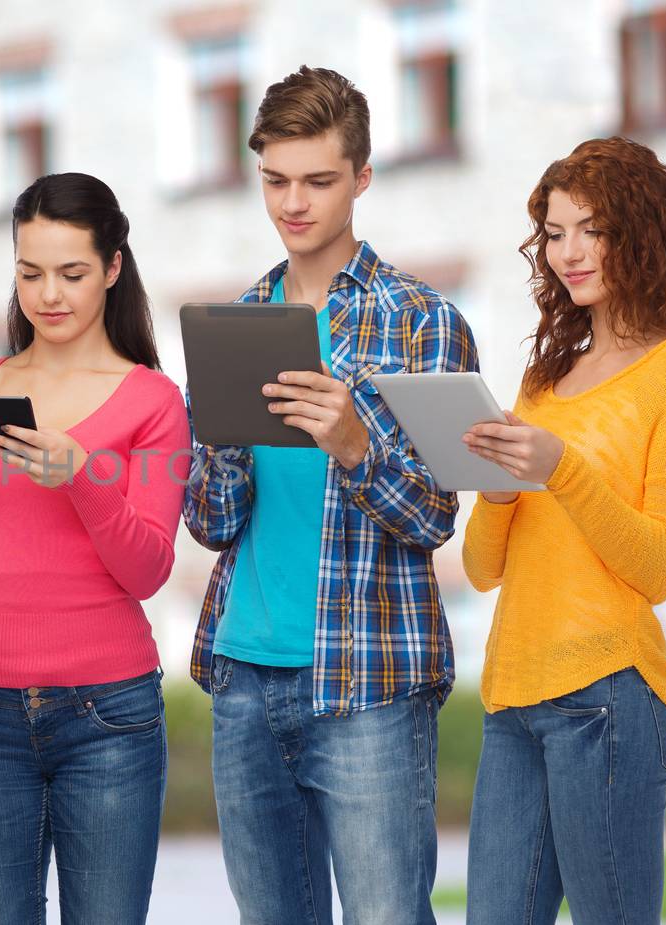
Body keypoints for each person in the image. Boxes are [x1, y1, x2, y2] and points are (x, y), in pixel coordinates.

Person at [182, 66, 477, 925]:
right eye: (275, 180)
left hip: (371, 678)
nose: (293, 202)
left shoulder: (421, 320)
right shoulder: (237, 322)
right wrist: (229, 440)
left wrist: (354, 444)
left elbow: (433, 517)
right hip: (243, 675)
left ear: (363, 177)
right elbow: (211, 523)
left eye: (317, 180)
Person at [461, 136, 666, 925]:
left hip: (608, 699)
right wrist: (502, 483)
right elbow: (480, 569)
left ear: (641, 233)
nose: (568, 251)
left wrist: (560, 467)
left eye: (591, 229)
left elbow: (659, 566)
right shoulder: (546, 379)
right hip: (512, 699)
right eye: (554, 231)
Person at [0, 173, 190, 924]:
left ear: (111, 268)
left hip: (108, 714)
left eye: (72, 273)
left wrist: (82, 476)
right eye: (30, 272)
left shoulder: (152, 400)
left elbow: (148, 569)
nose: (50, 294)